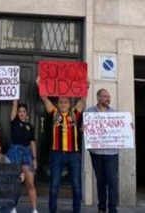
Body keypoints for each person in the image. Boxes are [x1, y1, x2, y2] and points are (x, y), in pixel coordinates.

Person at [39, 78, 88, 213]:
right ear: (58, 104)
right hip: (57, 154)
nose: (64, 104)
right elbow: (44, 98)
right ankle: (52, 210)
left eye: (66, 101)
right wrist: (40, 84)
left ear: (69, 103)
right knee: (54, 185)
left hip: (73, 155)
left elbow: (83, 99)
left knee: (76, 186)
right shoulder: (54, 113)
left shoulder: (74, 114)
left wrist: (86, 85)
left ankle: (76, 210)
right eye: (61, 102)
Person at [85, 89, 119, 213]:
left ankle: (113, 209)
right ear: (98, 97)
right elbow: (84, 129)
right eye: (104, 96)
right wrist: (83, 129)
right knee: (100, 181)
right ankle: (102, 208)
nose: (107, 98)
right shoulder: (89, 112)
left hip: (112, 153)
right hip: (96, 153)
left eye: (108, 96)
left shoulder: (115, 113)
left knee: (112, 181)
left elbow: (121, 128)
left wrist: (128, 128)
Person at [6, 100, 38, 213]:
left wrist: (34, 158)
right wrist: (15, 101)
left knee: (30, 182)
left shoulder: (30, 126)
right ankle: (13, 207)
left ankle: (34, 209)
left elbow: (32, 143)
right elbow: (14, 106)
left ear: (27, 113)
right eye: (20, 111)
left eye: (24, 111)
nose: (21, 113)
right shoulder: (13, 122)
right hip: (14, 152)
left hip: (26, 154)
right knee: (14, 182)